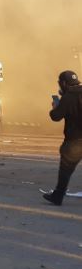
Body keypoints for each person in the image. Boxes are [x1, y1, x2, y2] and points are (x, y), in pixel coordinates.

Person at [43, 70, 82, 206]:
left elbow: (56, 116)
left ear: (64, 83)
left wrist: (55, 107)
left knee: (66, 170)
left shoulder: (68, 98)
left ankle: (58, 196)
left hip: (75, 141)